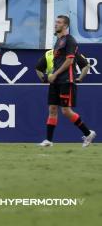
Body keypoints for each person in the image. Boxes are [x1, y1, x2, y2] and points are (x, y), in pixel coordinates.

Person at [35, 16, 96, 148]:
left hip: (66, 80)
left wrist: (54, 74)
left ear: (66, 25)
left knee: (66, 111)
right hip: (55, 81)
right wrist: (52, 77)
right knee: (52, 109)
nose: (56, 24)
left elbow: (69, 61)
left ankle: (88, 133)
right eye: (56, 22)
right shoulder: (58, 41)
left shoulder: (70, 40)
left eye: (59, 22)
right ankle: (48, 140)